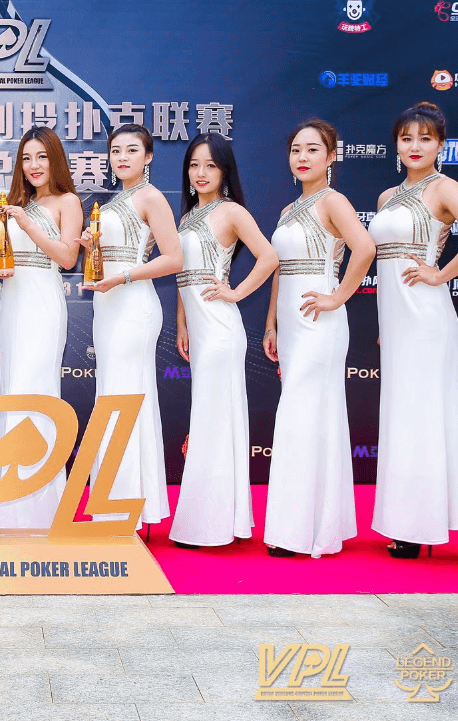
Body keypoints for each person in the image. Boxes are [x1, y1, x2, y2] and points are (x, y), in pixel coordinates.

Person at [368, 102, 458, 559]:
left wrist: (440, 275)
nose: (415, 146)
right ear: (396, 145)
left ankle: (421, 525)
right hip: (396, 321)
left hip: (426, 317)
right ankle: (404, 523)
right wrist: (385, 323)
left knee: (421, 417)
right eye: (407, 138)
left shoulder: (446, 188)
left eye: (425, 138)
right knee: (401, 417)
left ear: (441, 144)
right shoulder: (386, 197)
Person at [262, 118, 375, 558]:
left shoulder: (333, 201)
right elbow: (278, 272)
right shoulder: (288, 211)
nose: (302, 157)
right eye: (296, 150)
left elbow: (365, 248)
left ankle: (298, 531)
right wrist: (271, 324)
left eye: (312, 149)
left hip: (319, 323)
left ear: (331, 157)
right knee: (305, 417)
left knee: (302, 416)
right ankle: (310, 524)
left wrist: (338, 296)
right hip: (291, 325)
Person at [170, 132, 278, 548]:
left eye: (211, 165)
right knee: (208, 421)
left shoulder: (231, 211)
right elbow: (182, 278)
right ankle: (208, 520)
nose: (201, 173)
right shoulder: (187, 218)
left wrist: (235, 292)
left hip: (220, 329)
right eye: (194, 165)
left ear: (225, 171)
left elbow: (269, 257)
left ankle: (209, 526)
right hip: (199, 331)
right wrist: (181, 324)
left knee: (213, 422)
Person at [80, 123, 183, 530]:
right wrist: (92, 246)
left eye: (132, 150)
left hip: (133, 305)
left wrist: (123, 276)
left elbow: (173, 259)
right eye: (116, 151)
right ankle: (117, 506)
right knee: (112, 397)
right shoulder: (113, 201)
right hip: (107, 305)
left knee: (126, 399)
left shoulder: (151, 197)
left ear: (148, 156)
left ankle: (125, 511)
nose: (122, 157)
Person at [0, 126, 81, 529]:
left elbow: (67, 258)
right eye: (26, 158)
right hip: (13, 303)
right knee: (14, 394)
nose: (33, 165)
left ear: (55, 159)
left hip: (43, 303)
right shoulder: (17, 202)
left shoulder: (68, 202)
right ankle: (12, 502)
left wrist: (27, 225)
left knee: (36, 393)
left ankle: (40, 507)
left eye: (41, 156)